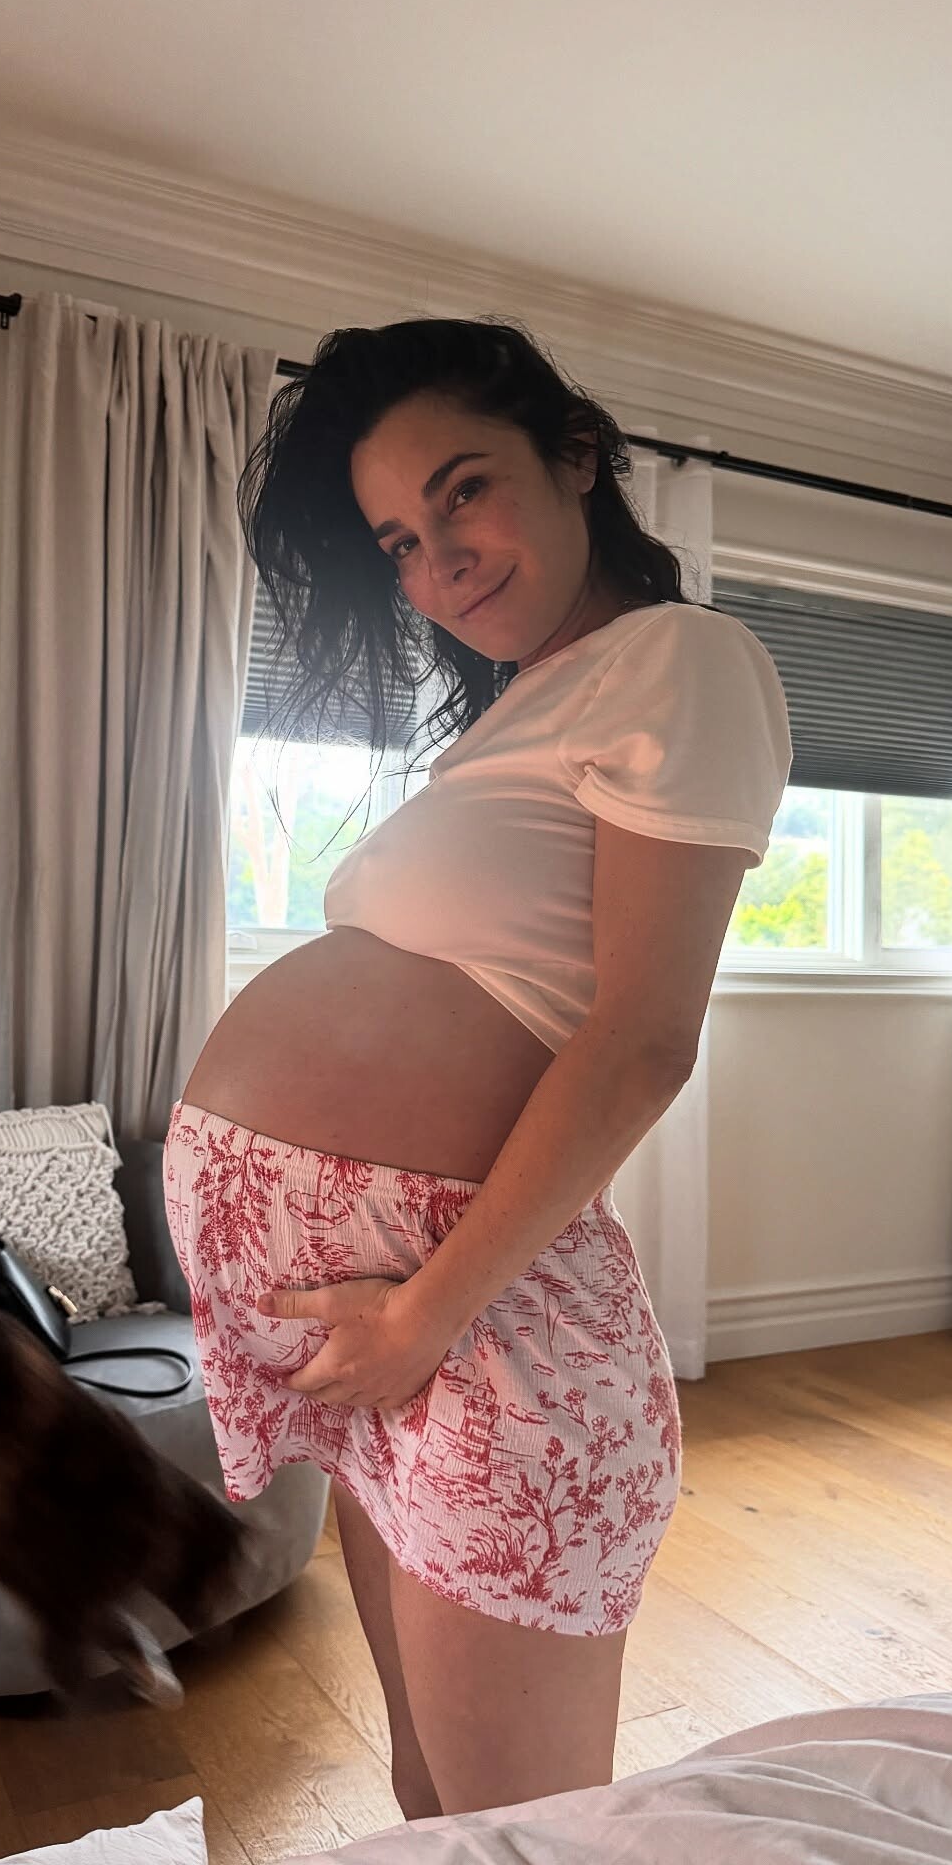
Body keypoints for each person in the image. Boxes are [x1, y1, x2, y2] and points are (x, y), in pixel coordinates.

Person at [162, 316, 793, 1818]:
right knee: (432, 1802)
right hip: (396, 1333)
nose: (437, 561)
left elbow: (642, 1040)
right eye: (397, 539)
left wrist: (422, 1315)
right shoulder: (527, 710)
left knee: (525, 1831)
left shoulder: (682, 659)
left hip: (466, 1324)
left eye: (464, 491)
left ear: (575, 455)